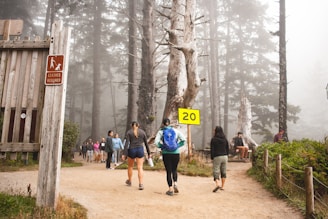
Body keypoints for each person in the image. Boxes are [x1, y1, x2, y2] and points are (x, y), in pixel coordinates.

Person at [154, 118, 186, 196]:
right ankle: (175, 183)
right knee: (174, 169)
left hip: (166, 153)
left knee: (168, 171)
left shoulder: (161, 132)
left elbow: (156, 142)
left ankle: (170, 189)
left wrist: (162, 146)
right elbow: (183, 140)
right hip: (175, 153)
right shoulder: (175, 131)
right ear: (169, 123)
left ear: (163, 123)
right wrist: (177, 146)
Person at [122, 121, 150, 190]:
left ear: (131, 126)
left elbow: (126, 144)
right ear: (138, 125)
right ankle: (141, 184)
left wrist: (124, 154)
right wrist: (149, 153)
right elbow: (146, 143)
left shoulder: (129, 132)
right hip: (140, 150)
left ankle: (129, 181)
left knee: (130, 166)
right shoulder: (142, 132)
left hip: (131, 150)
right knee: (140, 167)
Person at [210, 126, 229, 192]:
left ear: (216, 131)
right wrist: (227, 155)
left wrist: (212, 157)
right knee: (223, 171)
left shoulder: (214, 139)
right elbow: (227, 148)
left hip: (217, 156)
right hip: (225, 156)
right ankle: (222, 186)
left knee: (216, 170)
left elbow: (212, 150)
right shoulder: (225, 139)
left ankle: (217, 184)